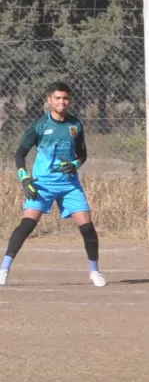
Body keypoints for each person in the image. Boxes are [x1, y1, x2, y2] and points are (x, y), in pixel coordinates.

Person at [1, 82, 106, 288]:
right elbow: (20, 153)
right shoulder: (40, 125)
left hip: (69, 185)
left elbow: (82, 154)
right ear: (49, 100)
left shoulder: (75, 125)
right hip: (44, 184)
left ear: (70, 101)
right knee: (27, 224)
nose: (62, 102)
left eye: (65, 98)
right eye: (57, 98)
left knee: (87, 226)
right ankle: (4, 268)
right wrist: (24, 178)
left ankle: (94, 271)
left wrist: (75, 164)